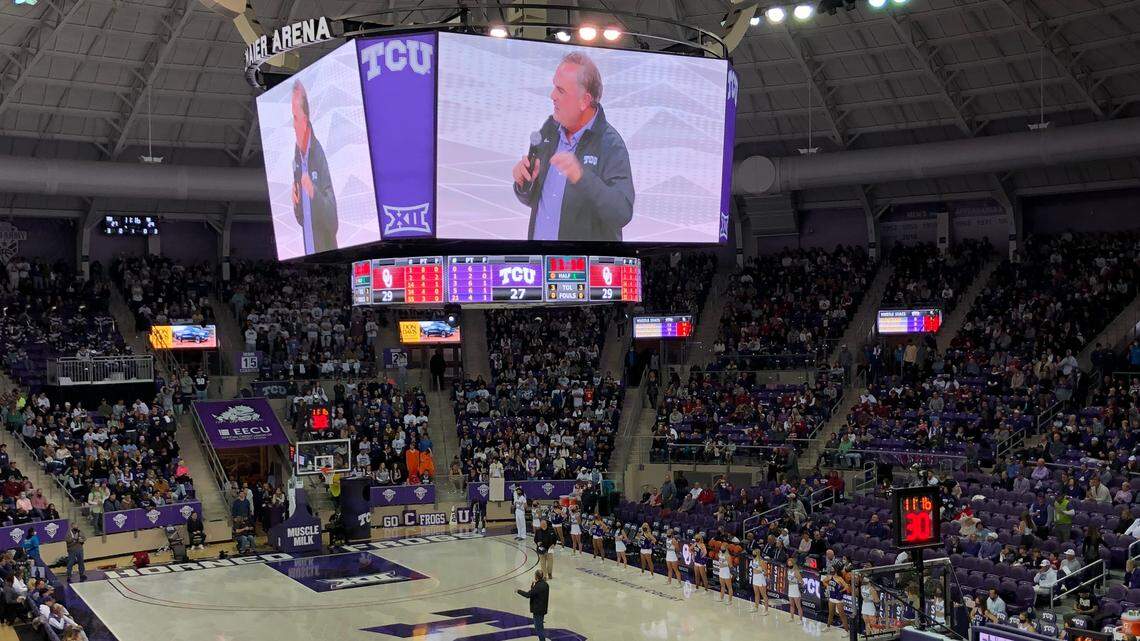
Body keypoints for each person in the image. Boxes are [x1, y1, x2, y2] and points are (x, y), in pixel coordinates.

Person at [511, 51, 634, 242]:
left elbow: (621, 213)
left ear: (584, 101)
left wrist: (582, 176)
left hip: (579, 267)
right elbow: (537, 201)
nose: (552, 96)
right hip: (540, 263)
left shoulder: (610, 144)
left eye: (560, 90)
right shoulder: (549, 129)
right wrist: (524, 184)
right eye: (554, 87)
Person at [290, 80, 338, 254]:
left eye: (295, 117)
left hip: (328, 255)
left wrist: (313, 192)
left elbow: (333, 221)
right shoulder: (296, 159)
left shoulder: (318, 154)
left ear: (306, 118)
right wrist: (296, 206)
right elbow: (303, 220)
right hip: (309, 254)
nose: (293, 125)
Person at [516, 570, 550, 641]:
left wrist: (518, 591)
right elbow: (535, 593)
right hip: (543, 608)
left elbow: (528, 595)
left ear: (536, 576)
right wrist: (533, 587)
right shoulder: (545, 584)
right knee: (540, 626)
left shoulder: (537, 586)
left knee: (538, 628)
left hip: (537, 610)